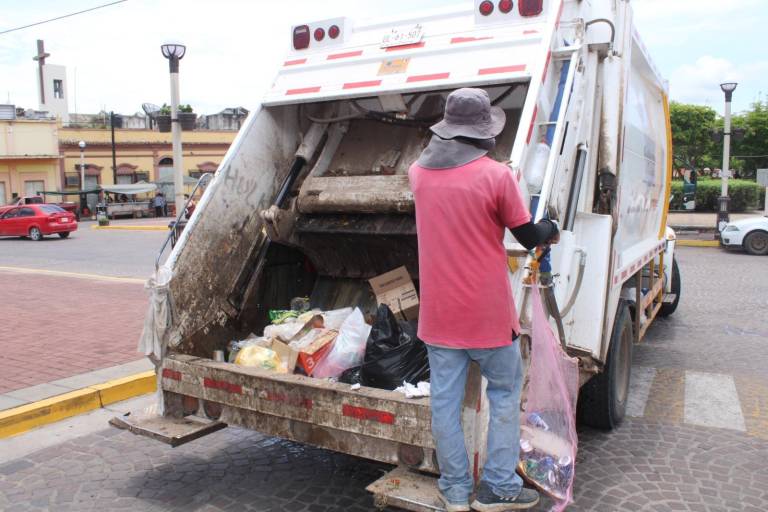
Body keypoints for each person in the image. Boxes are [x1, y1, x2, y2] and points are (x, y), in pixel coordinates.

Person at [409, 88, 559, 512]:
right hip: (489, 316)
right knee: (506, 394)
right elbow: (528, 237)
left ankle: (455, 490)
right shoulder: (496, 176)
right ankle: (497, 488)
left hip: (439, 315)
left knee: (444, 403)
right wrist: (550, 225)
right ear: (482, 134)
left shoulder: (416, 172)